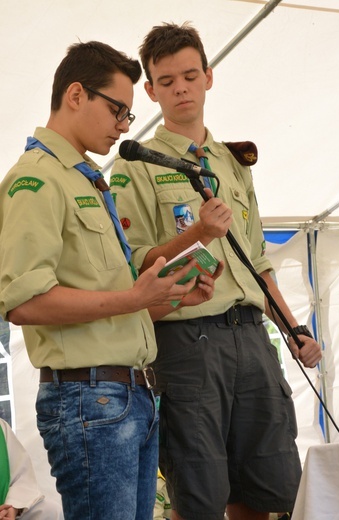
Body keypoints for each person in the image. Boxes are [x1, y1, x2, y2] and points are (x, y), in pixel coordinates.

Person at [0, 41, 223, 520]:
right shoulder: (36, 180)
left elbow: (119, 306)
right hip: (90, 398)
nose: (125, 125)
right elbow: (23, 302)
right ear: (76, 94)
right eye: (118, 110)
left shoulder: (86, 180)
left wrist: (172, 295)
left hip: (129, 394)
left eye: (128, 114)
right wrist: (133, 295)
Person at [111, 23, 322, 520]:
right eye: (167, 81)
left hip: (251, 338)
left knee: (270, 489)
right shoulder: (134, 168)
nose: (180, 88)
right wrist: (195, 236)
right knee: (200, 493)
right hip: (186, 345)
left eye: (189, 75)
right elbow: (133, 264)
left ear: (209, 77)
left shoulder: (233, 163)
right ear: (150, 90)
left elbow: (257, 262)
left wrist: (293, 330)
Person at [0, 418, 63, 520]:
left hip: (5, 511)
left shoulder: (1, 428)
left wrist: (11, 508)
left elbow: (21, 476)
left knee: (50, 511)